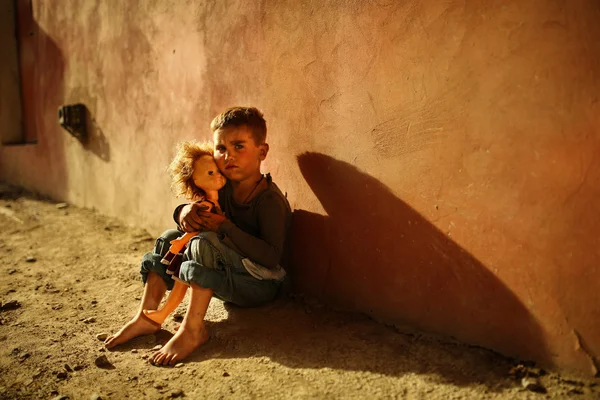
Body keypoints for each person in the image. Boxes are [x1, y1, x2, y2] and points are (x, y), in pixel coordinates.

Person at [104, 106, 291, 367]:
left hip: (259, 285)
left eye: (239, 146)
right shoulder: (223, 187)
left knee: (204, 242)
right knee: (170, 238)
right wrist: (183, 212)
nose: (228, 157)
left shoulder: (268, 200)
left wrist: (225, 227)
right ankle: (147, 317)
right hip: (224, 276)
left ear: (262, 151)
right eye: (221, 148)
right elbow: (194, 212)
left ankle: (193, 330)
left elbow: (271, 258)